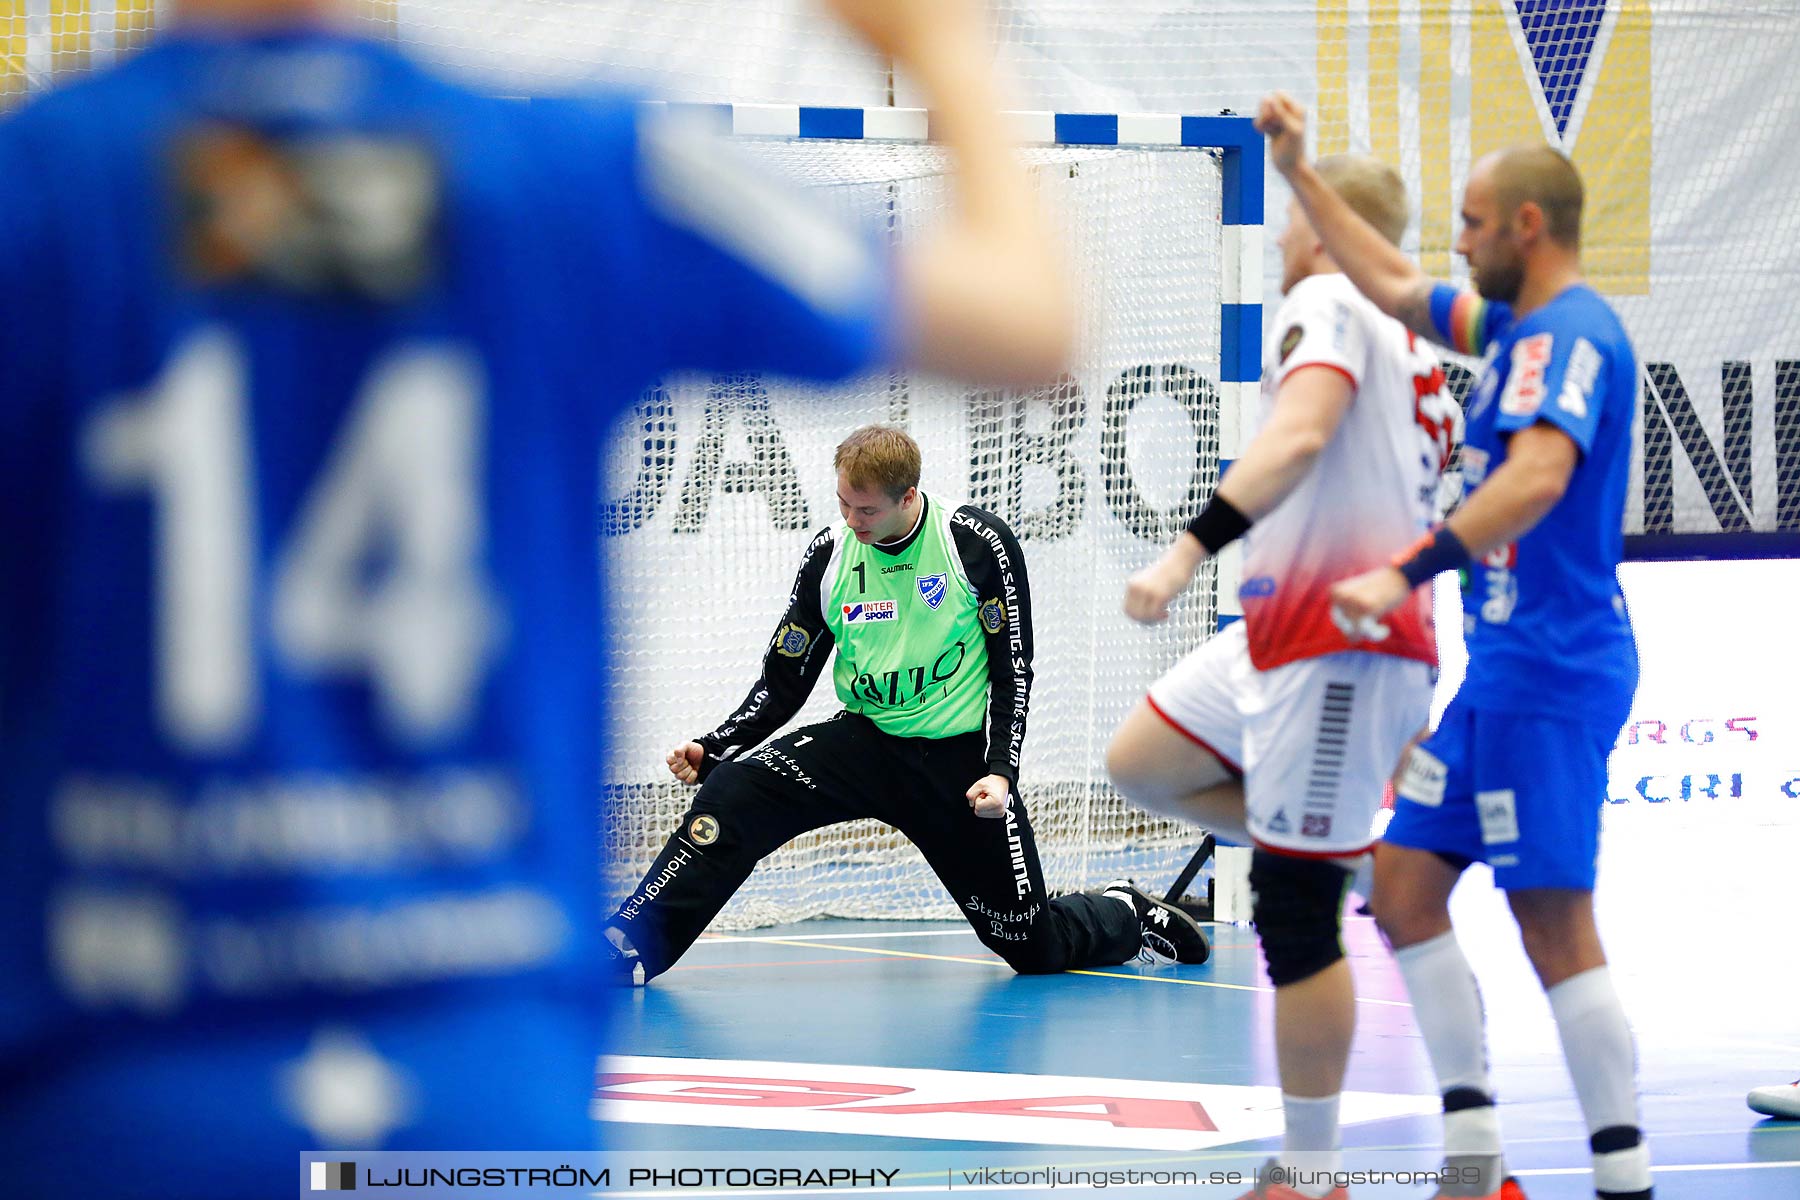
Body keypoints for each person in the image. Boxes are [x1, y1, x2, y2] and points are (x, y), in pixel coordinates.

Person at [0, 1, 1075, 1195]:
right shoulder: (578, 170)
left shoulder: (37, 180)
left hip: (114, 1073)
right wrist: (935, 48)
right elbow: (1029, 318)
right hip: (481, 1071)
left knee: (1017, 931)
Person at [1258, 92, 1650, 1200]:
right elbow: (1389, 282)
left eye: (1474, 223)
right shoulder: (1513, 329)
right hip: (1497, 681)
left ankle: (1627, 1176)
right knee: (1404, 883)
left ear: (1529, 225)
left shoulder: (1568, 338)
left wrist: (1408, 566)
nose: (1458, 243)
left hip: (1554, 674)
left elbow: (1536, 477)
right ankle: (1476, 1155)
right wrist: (1298, 173)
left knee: (1554, 924)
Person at [1106, 154, 1460, 1200]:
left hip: (1338, 638)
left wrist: (1182, 554)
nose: (1274, 238)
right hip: (1285, 624)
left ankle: (1308, 1175)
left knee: (1291, 914)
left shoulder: (1333, 295)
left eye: (1289, 217)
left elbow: (1301, 434)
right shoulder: (1407, 331)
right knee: (1142, 763)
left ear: (1323, 222)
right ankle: (1353, 846)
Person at [605, 423, 1210, 984]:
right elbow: (786, 676)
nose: (852, 519)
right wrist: (717, 743)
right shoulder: (832, 554)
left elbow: (1013, 669)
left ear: (909, 496)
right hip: (863, 745)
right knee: (734, 791)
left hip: (958, 765)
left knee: (1032, 948)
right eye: (843, 503)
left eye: (866, 509)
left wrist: (1000, 772)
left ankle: (1124, 913)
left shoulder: (974, 546)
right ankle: (631, 945)